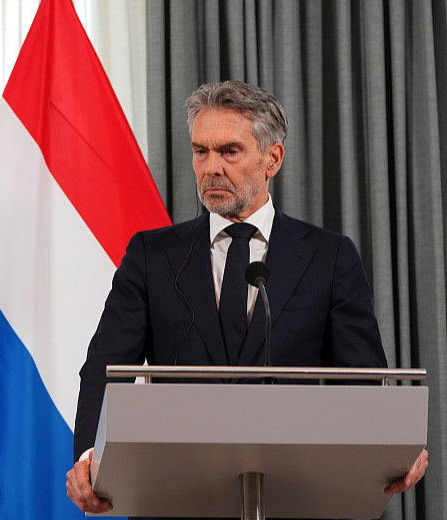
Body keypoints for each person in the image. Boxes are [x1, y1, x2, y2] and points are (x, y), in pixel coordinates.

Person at [65, 81, 428, 516]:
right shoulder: (151, 254)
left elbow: (364, 382)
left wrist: (388, 447)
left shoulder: (330, 257)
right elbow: (107, 366)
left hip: (297, 498)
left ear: (272, 158)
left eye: (229, 152)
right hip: (178, 496)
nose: (211, 167)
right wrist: (89, 460)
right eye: (201, 151)